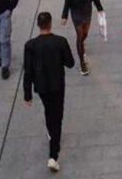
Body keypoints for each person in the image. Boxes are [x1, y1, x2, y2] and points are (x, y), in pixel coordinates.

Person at [23, 12, 75, 172]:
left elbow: (28, 71)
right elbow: (70, 63)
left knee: (49, 110)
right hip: (57, 85)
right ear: (50, 24)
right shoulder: (60, 42)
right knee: (57, 117)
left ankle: (50, 132)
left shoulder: (30, 45)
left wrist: (28, 94)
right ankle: (53, 155)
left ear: (38, 25)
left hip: (42, 87)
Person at [61, 0, 104, 75]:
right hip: (76, 10)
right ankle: (82, 63)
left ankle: (81, 44)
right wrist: (64, 15)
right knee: (80, 35)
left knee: (85, 33)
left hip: (87, 8)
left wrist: (99, 7)